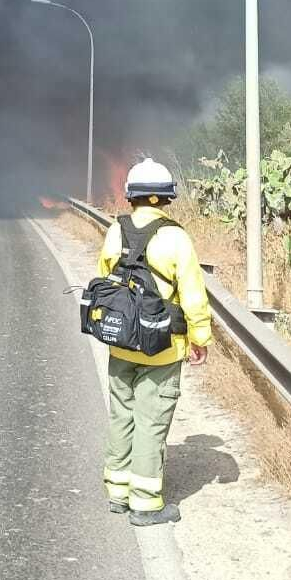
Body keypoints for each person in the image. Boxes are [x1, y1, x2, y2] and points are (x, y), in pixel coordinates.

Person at [95, 157, 212, 525]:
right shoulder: (175, 237)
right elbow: (193, 294)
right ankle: (145, 504)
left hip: (121, 341)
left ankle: (117, 491)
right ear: (165, 198)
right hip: (161, 348)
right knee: (151, 421)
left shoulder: (116, 230)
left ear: (131, 196)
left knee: (122, 414)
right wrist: (200, 337)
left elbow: (105, 277)